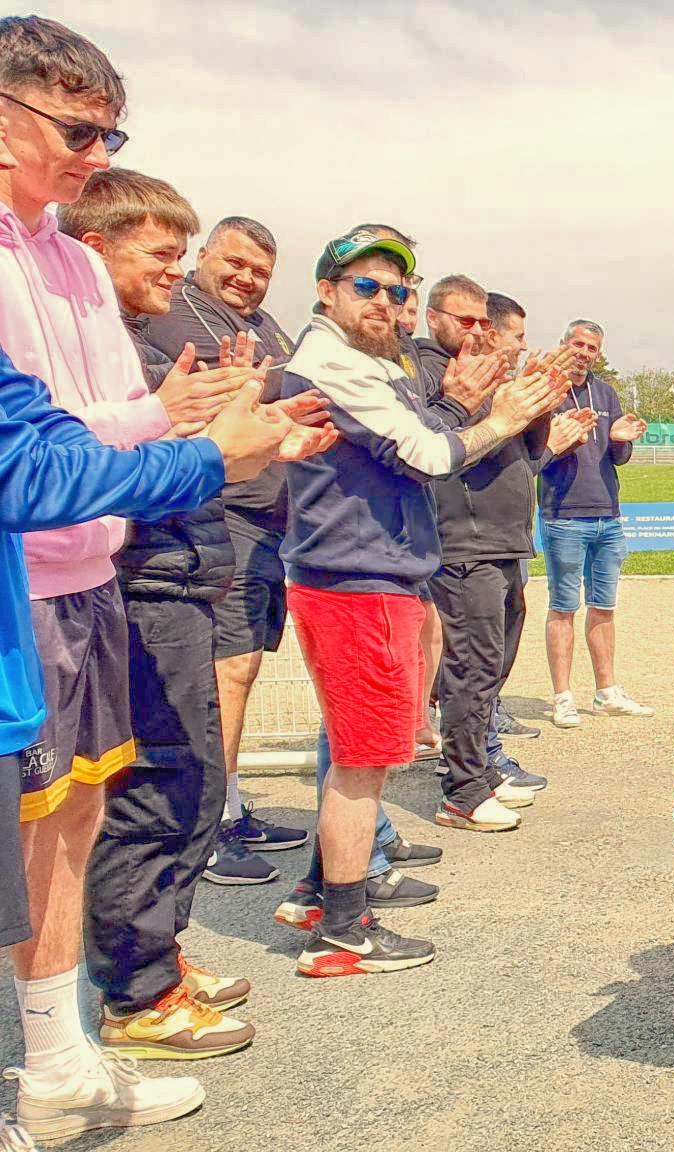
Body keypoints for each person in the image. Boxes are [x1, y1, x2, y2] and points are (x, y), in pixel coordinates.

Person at [0, 43, 294, 1138]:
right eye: (76, 133)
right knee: (24, 839)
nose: (95, 157)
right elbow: (29, 470)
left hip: (82, 576)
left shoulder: (67, 259)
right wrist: (211, 453)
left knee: (70, 824)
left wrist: (181, 418)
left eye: (108, 136)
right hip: (19, 586)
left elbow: (93, 431)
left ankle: (58, 1058)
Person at [60, 168, 320, 1060]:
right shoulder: (93, 338)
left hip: (184, 567)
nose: (175, 276)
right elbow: (76, 450)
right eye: (163, 255)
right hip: (141, 575)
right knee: (157, 786)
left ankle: (156, 959)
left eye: (181, 257)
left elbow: (185, 444)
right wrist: (172, 420)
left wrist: (260, 435)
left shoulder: (125, 332)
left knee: (192, 780)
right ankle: (135, 994)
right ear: (95, 247)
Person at [275, 228, 566, 977]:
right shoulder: (334, 364)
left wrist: (457, 403)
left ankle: (320, 892)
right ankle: (341, 932)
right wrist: (496, 416)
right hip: (357, 578)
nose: (386, 302)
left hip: (369, 571)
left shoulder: (368, 361)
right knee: (363, 761)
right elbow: (430, 455)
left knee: (353, 750)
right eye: (366, 287)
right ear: (328, 292)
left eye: (398, 290)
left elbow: (419, 436)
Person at [138, 213, 309, 883]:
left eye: (261, 272)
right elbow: (199, 400)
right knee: (224, 671)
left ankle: (230, 808)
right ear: (203, 255)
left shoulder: (266, 327)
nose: (246, 278)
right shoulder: (176, 315)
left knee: (242, 669)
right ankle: (204, 828)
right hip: (220, 513)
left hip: (267, 518)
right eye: (234, 263)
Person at [421, 277, 559, 832]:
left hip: (504, 539)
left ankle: (481, 767)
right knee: (471, 668)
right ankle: (463, 787)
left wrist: (538, 405)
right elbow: (436, 449)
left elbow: (527, 456)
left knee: (490, 665)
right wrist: (477, 404)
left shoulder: (486, 374)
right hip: (463, 543)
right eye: (465, 320)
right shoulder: (432, 375)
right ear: (434, 318)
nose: (476, 332)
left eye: (483, 321)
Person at [537, 320, 651, 729]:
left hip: (608, 514)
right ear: (563, 343)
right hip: (564, 514)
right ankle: (563, 696)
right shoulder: (544, 390)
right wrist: (565, 439)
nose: (584, 352)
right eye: (578, 343)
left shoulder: (604, 393)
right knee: (563, 607)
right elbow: (534, 456)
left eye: (592, 347)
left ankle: (606, 692)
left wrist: (620, 439)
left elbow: (616, 458)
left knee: (604, 607)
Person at [482, 291, 543, 742]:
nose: (523, 346)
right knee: (475, 645)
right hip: (474, 539)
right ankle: (472, 750)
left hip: (510, 535)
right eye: (518, 336)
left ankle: (487, 722)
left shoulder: (505, 385)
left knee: (509, 618)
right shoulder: (469, 385)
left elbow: (530, 458)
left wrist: (544, 416)